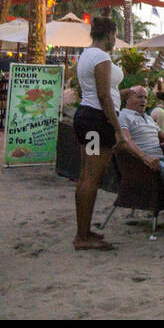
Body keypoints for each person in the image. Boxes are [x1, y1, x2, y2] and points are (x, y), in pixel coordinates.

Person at [73, 17, 124, 251]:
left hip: (87, 116)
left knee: (86, 175)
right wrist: (117, 128)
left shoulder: (86, 54)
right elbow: (104, 96)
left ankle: (84, 231)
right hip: (96, 120)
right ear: (110, 34)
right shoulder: (101, 57)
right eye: (115, 35)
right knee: (91, 177)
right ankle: (82, 236)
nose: (115, 40)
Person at [117, 86, 164, 188]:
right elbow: (125, 140)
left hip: (162, 158)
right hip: (144, 162)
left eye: (145, 97)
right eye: (139, 97)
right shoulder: (123, 116)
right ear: (127, 99)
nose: (143, 100)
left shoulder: (148, 118)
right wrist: (146, 158)